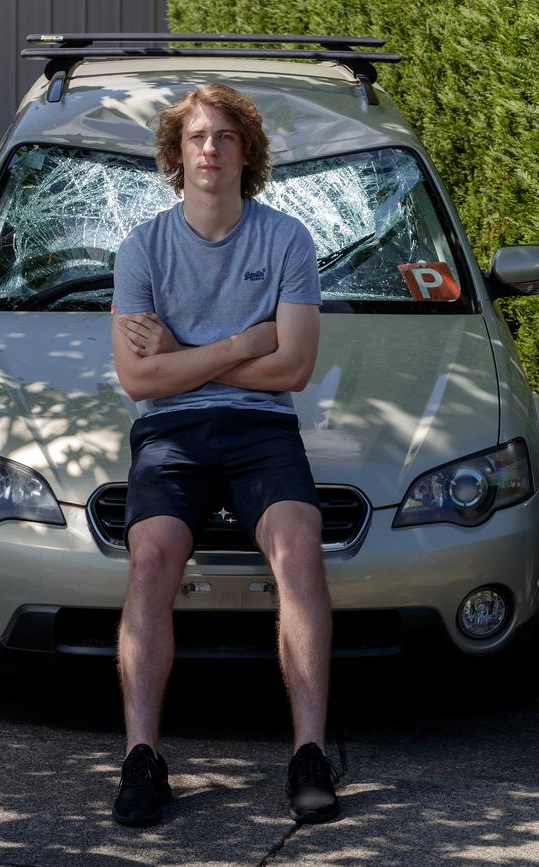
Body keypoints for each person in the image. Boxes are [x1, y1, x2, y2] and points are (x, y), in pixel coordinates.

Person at [110, 83, 339, 826]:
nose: (210, 149)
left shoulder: (287, 242)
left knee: (301, 549)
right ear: (178, 154)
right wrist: (243, 341)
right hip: (170, 433)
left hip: (260, 430)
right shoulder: (142, 248)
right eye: (197, 137)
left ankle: (309, 753)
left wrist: (188, 352)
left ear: (247, 152)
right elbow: (140, 377)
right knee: (150, 558)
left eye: (225, 137)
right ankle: (142, 758)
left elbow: (294, 370)